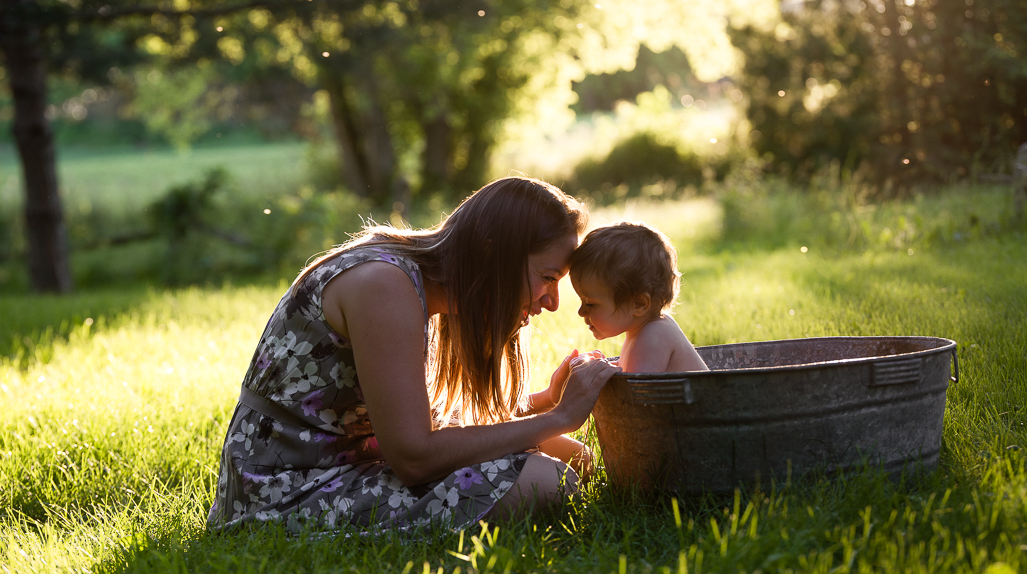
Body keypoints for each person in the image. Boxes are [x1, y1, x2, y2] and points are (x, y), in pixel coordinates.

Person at [207, 176, 621, 534]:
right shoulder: (384, 285)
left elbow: (414, 419)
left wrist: (544, 403)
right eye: (548, 278)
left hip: (353, 462)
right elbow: (414, 457)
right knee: (546, 482)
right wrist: (560, 417)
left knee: (574, 456)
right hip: (284, 490)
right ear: (493, 251)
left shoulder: (420, 281)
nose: (552, 302)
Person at [569, 221, 709, 373]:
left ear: (639, 304)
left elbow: (637, 392)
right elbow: (632, 371)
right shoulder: (641, 331)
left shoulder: (654, 335)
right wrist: (602, 368)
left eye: (590, 303)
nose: (581, 312)